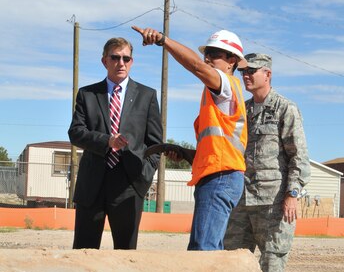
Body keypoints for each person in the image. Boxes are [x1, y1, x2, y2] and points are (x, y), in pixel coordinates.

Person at [132, 26, 248, 251]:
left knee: (202, 250)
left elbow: (195, 65)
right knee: (206, 246)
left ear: (232, 60)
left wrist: (162, 40)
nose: (207, 58)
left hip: (221, 177)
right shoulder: (218, 95)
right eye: (207, 53)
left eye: (214, 54)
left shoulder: (226, 85)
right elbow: (219, 146)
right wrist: (188, 155)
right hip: (218, 175)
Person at [224, 53, 311, 272]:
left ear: (268, 74)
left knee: (271, 268)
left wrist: (292, 194)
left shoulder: (285, 108)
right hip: (241, 201)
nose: (246, 75)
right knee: (231, 265)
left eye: (252, 70)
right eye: (243, 71)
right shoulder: (242, 109)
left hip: (273, 204)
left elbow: (299, 157)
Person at [68, 37, 163, 249]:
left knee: (126, 253)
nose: (121, 63)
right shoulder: (88, 94)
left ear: (132, 61)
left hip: (129, 185)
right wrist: (107, 141)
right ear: (105, 61)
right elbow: (76, 132)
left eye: (126, 58)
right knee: (85, 252)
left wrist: (144, 176)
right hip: (92, 184)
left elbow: (155, 143)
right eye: (115, 57)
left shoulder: (147, 96)